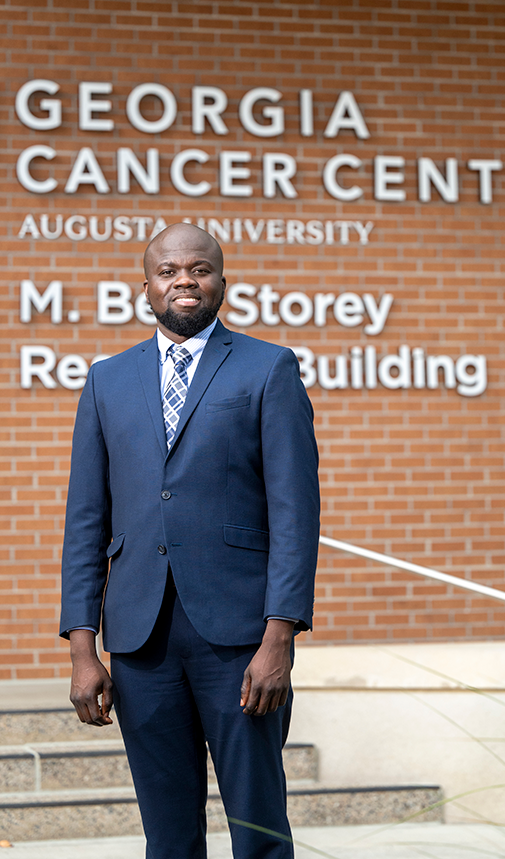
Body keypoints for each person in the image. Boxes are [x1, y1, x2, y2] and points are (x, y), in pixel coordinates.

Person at [59, 223, 320, 859]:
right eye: (170, 270)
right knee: (168, 835)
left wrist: (279, 636)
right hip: (141, 641)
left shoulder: (268, 367)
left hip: (239, 638)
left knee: (258, 828)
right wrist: (81, 647)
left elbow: (295, 511)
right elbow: (85, 519)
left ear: (221, 283)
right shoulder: (107, 380)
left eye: (199, 269)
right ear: (145, 286)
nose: (185, 280)